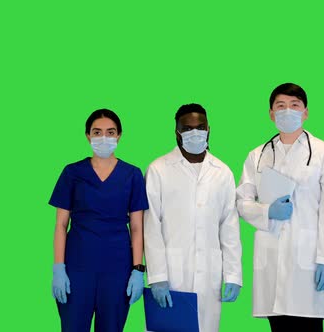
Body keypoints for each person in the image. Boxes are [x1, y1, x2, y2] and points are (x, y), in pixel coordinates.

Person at [236, 83, 324, 332]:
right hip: (271, 258)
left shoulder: (323, 153)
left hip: (307, 260)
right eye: (280, 106)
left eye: (295, 106)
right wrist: (266, 212)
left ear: (305, 112)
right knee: (278, 326)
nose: (287, 111)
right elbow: (241, 201)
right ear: (271, 114)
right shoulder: (257, 155)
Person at [143, 103, 243, 332]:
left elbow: (229, 227)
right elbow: (151, 225)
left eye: (200, 127)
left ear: (209, 129)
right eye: (187, 128)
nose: (194, 133)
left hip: (210, 274)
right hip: (171, 273)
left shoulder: (222, 172)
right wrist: (157, 275)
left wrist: (234, 274)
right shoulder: (158, 169)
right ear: (177, 132)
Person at [49, 109, 148, 332]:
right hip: (76, 268)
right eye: (97, 132)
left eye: (110, 132)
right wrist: (58, 267)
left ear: (119, 135)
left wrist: (138, 270)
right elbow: (60, 225)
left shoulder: (132, 175)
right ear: (88, 136)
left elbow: (137, 227)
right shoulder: (72, 173)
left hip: (117, 269)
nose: (104, 137)